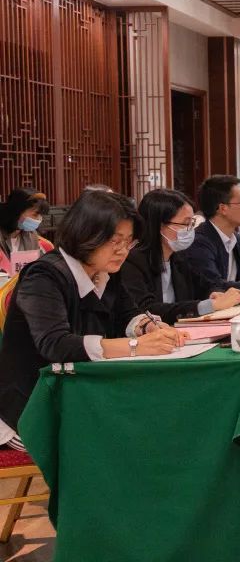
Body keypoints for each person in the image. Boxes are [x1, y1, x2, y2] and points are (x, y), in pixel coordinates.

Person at [0, 191, 187, 447]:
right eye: (115, 241)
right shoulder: (44, 275)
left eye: (128, 242)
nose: (123, 251)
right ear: (86, 233)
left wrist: (150, 327)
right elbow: (56, 344)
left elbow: (127, 314)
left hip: (82, 394)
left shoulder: (105, 270)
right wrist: (135, 346)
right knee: (122, 441)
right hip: (32, 408)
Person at [121, 189, 240, 322]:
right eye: (186, 223)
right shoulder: (131, 262)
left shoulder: (180, 258)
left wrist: (215, 294)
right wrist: (209, 305)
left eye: (192, 223)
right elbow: (148, 310)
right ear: (160, 225)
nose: (190, 230)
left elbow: (206, 285)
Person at [0, 188, 52, 274]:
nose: (39, 219)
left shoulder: (32, 236)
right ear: (16, 211)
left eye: (41, 215)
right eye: (35, 214)